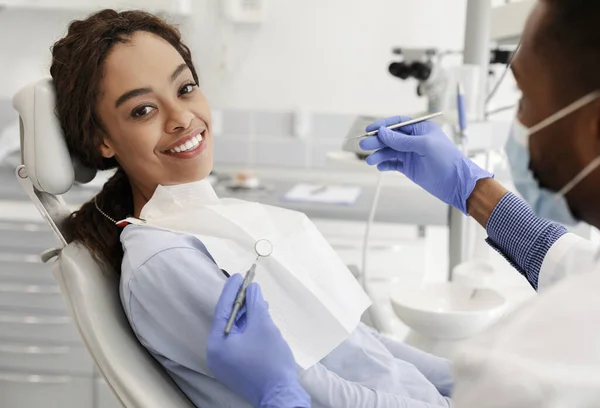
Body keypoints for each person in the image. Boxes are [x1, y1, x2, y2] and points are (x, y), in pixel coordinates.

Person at [50, 9, 455, 408]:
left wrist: (462, 381)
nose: (181, 118)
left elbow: (354, 341)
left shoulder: (197, 221)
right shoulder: (165, 261)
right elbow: (318, 393)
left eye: (185, 88)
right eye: (142, 110)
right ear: (103, 139)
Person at [206, 0, 600, 406]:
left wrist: (282, 393)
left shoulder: (532, 372)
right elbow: (572, 265)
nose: (519, 123)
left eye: (526, 100)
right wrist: (472, 190)